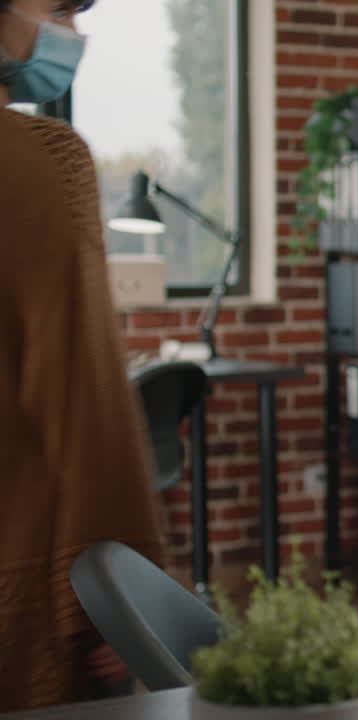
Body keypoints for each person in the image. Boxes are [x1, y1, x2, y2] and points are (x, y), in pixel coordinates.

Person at [1, 0, 166, 710]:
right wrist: (129, 581)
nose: (71, 27)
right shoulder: (43, 163)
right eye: (59, 7)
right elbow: (83, 396)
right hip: (22, 582)